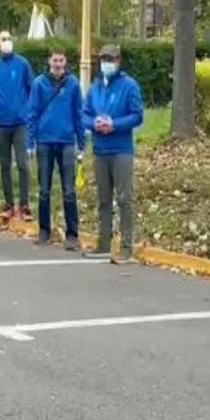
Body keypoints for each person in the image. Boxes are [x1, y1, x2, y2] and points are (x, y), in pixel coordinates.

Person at [82, 45, 144, 264]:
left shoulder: (129, 86)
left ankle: (127, 248)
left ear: (119, 61)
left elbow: (137, 115)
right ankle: (104, 243)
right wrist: (94, 123)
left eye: (112, 59)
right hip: (100, 149)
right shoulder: (96, 86)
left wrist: (114, 124)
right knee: (103, 199)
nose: (107, 62)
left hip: (121, 150)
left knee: (124, 198)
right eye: (104, 59)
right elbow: (85, 114)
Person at [27, 48, 85, 250]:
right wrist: (30, 142)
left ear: (65, 62)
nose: (58, 64)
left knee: (69, 191)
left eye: (61, 60)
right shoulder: (39, 84)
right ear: (49, 61)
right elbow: (32, 113)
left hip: (67, 141)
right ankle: (44, 230)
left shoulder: (73, 84)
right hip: (44, 141)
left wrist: (82, 143)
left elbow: (79, 114)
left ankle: (72, 233)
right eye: (55, 60)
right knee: (44, 190)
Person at [0, 31, 35, 222]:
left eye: (9, 39)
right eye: (3, 39)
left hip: (21, 122)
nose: (7, 42)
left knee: (23, 164)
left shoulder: (22, 64)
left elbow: (31, 89)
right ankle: (9, 204)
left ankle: (24, 204)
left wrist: (28, 111)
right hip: (1, 123)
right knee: (5, 165)